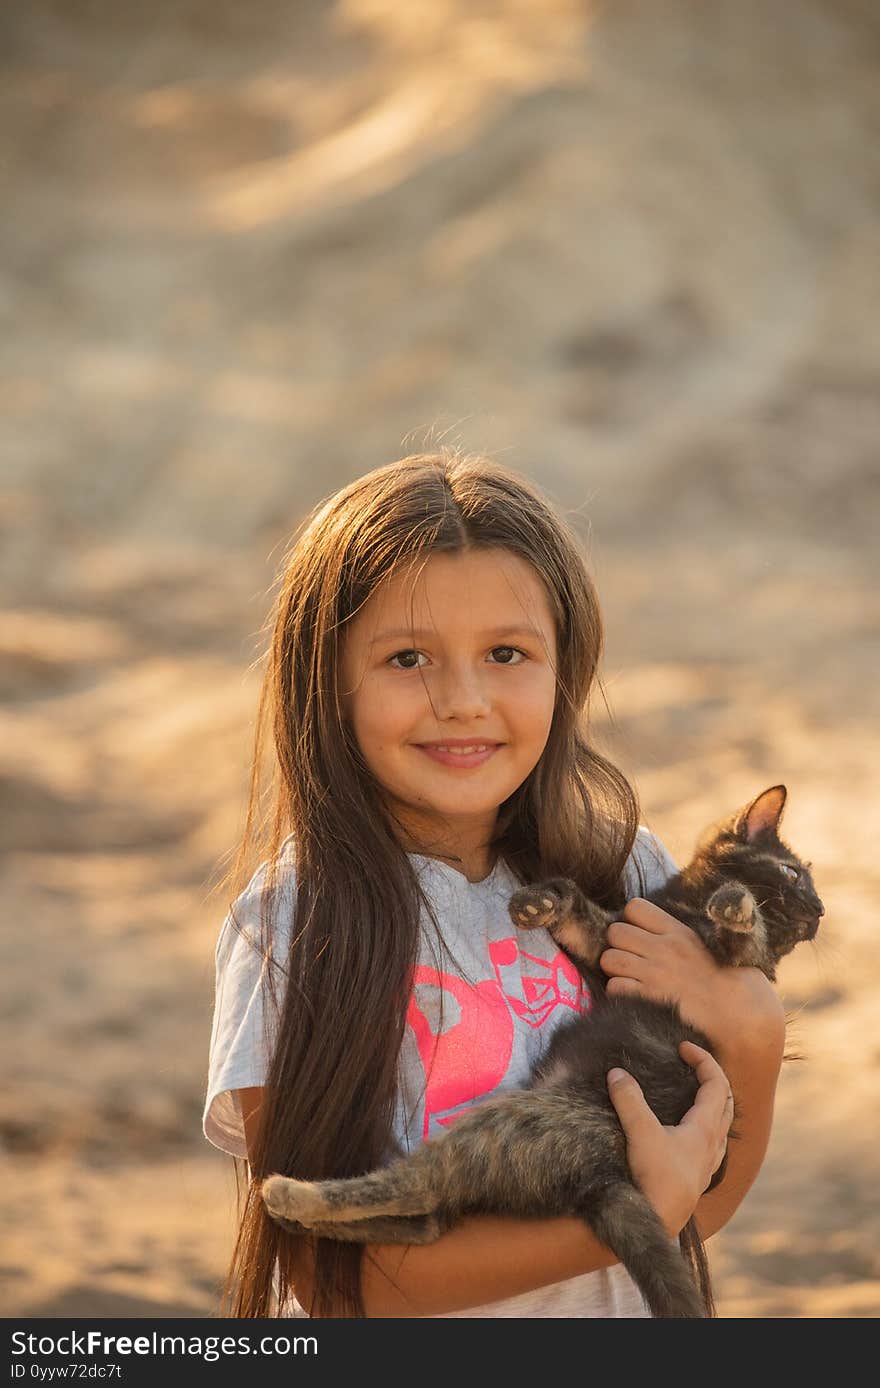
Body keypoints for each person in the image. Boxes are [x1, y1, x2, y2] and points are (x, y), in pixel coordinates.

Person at [202, 449, 785, 1318]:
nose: (463, 699)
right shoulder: (295, 925)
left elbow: (701, 1207)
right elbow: (337, 1280)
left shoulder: (628, 878)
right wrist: (625, 1219)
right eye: (407, 659)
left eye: (507, 653)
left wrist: (757, 1039)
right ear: (327, 681)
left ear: (567, 669)